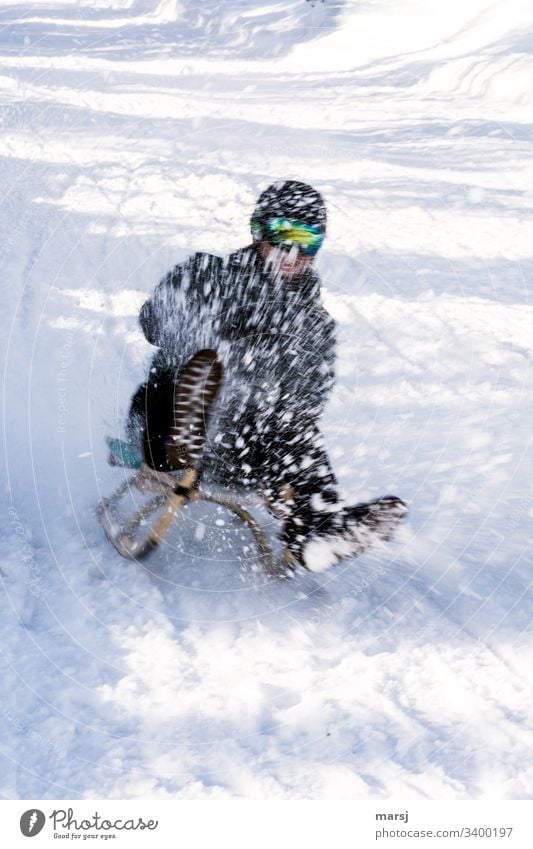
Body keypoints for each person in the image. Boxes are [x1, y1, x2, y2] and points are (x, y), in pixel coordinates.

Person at [127, 180, 405, 571]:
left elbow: (310, 397)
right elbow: (154, 324)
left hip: (246, 449)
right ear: (260, 231)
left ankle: (317, 528)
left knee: (292, 424)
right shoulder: (210, 275)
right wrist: (197, 321)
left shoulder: (314, 324)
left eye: (306, 240)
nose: (293, 252)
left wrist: (266, 386)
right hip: (171, 425)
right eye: (283, 235)